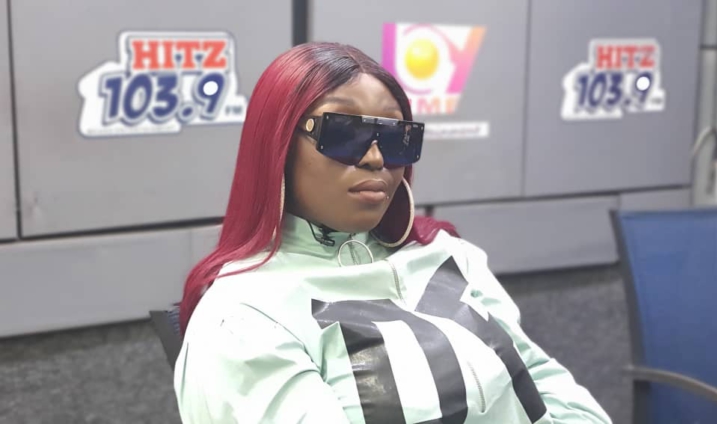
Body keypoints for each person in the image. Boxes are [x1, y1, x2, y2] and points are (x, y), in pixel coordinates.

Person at [174, 42, 612, 424]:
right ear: (279, 145)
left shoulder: (448, 255)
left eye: (395, 137)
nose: (375, 158)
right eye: (344, 133)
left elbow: (543, 382)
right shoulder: (244, 316)